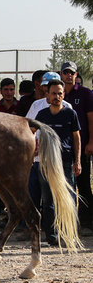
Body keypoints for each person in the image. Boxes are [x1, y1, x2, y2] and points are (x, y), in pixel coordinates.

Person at [35, 79, 81, 245]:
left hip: (66, 162)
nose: (57, 96)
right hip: (46, 163)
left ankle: (70, 235)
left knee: (68, 199)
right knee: (48, 201)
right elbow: (31, 133)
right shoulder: (41, 115)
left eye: (60, 93)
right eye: (53, 93)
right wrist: (34, 147)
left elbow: (77, 138)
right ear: (47, 95)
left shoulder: (70, 113)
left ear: (63, 95)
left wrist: (78, 161)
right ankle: (52, 237)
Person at [59, 61, 93, 235]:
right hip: (62, 149)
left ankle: (86, 223)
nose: (68, 75)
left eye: (71, 73)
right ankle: (67, 223)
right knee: (63, 186)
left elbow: (90, 119)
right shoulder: (57, 93)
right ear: (61, 74)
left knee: (83, 185)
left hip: (82, 146)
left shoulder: (85, 93)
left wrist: (91, 142)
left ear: (76, 74)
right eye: (65, 72)